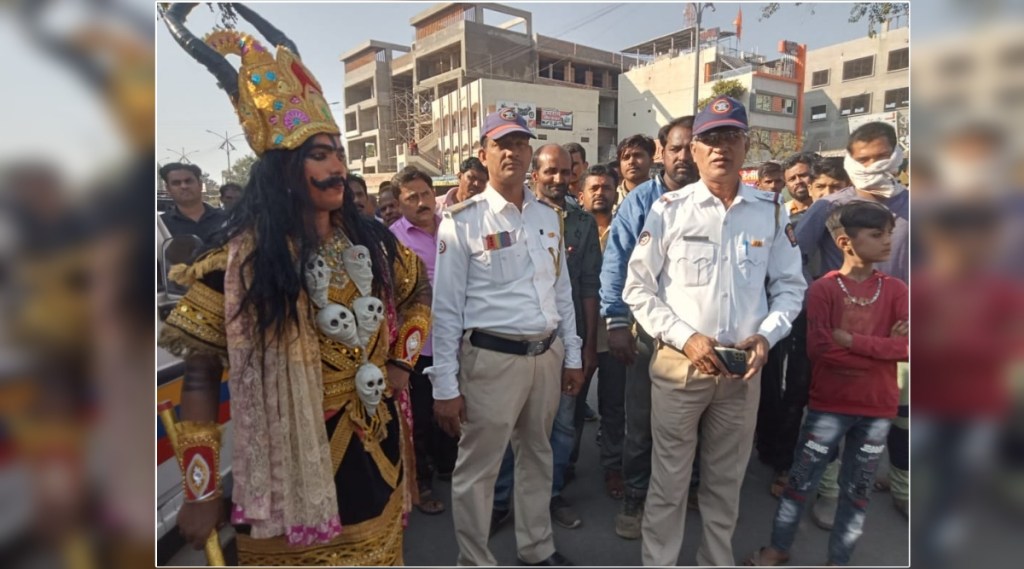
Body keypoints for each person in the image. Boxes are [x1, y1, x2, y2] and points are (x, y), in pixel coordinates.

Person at [159, 11, 431, 565]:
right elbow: (201, 375)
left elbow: (417, 287)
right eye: (319, 154)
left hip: (376, 450)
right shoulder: (237, 266)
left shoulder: (374, 242)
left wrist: (401, 363)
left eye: (339, 153)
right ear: (283, 169)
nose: (337, 167)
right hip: (290, 472)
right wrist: (201, 489)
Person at [622, 96, 805, 566]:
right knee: (669, 482)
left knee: (726, 485)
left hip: (742, 373)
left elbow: (789, 288)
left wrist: (767, 335)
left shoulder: (771, 211)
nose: (720, 148)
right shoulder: (669, 209)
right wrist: (687, 337)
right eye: (709, 140)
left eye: (730, 137)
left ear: (746, 146)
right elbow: (638, 290)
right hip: (681, 367)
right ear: (695, 151)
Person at [429, 111, 583, 566]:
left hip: (545, 355)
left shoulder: (550, 216)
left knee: (538, 456)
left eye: (520, 144)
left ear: (530, 154)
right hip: (491, 361)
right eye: (503, 144)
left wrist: (571, 354)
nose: (513, 152)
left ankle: (536, 548)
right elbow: (446, 310)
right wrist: (445, 386)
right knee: (478, 469)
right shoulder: (463, 222)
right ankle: (474, 559)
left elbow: (562, 293)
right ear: (484, 155)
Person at [746, 201, 908, 566]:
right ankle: (779, 547)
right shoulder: (823, 290)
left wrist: (853, 342)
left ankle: (839, 559)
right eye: (877, 234)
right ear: (845, 242)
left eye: (888, 234)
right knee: (801, 482)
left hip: (877, 408)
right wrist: (886, 348)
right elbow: (821, 351)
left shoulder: (897, 290)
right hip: (829, 407)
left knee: (858, 492)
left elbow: (911, 348)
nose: (888, 242)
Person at [794, 122, 909, 527]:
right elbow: (793, 259)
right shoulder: (828, 209)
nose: (870, 166)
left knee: (900, 418)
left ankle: (903, 488)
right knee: (832, 419)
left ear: (897, 156)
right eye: (861, 159)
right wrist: (819, 305)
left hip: (899, 336)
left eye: (879, 157)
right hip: (839, 337)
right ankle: (827, 492)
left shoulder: (916, 207)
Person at [599, 116, 699, 540]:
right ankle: (636, 496)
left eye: (690, 148)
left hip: (700, 336)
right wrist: (617, 322)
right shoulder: (641, 200)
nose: (682, 157)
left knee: (695, 423)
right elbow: (616, 262)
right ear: (662, 152)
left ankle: (689, 489)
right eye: (675, 148)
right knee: (641, 421)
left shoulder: (714, 199)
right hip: (648, 335)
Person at [492, 144, 601, 532]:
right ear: (534, 174)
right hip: (514, 347)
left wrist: (586, 346)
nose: (558, 179)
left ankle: (549, 498)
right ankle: (502, 500)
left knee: (563, 427)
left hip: (563, 343)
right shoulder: (509, 214)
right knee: (511, 429)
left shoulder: (582, 222)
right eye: (550, 171)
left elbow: (588, 286)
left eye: (565, 172)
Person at [388, 166, 458, 516]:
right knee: (420, 417)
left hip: (456, 338)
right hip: (415, 345)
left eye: (425, 194)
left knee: (452, 406)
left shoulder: (452, 226)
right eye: (411, 197)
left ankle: (449, 467)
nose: (421, 202)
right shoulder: (394, 240)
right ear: (399, 203)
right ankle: (421, 482)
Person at [577, 163, 628, 501]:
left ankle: (613, 466)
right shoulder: (569, 230)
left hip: (614, 334)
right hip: (578, 335)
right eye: (593, 187)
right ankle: (563, 466)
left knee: (613, 407)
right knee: (571, 406)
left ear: (615, 192)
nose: (600, 193)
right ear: (580, 194)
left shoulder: (626, 231)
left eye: (606, 187)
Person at [159, 162, 226, 242]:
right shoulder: (161, 226)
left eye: (188, 181)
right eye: (176, 183)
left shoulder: (227, 218)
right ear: (168, 189)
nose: (184, 186)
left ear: (200, 185)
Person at [614, 134, 656, 210]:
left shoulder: (662, 196)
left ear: (651, 161)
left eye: (637, 156)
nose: (631, 161)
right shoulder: (610, 197)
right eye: (626, 157)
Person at [782, 152, 819, 224]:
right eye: (792, 179)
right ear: (786, 184)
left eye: (803, 175)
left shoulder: (829, 210)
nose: (798, 181)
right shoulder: (779, 215)